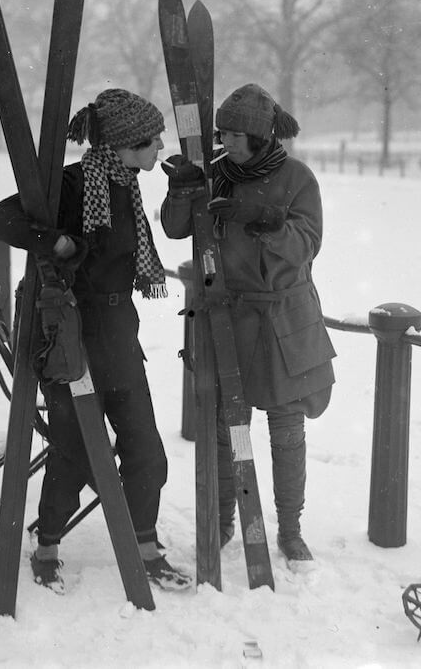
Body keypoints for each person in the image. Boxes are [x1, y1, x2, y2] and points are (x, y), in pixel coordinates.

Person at [0, 88, 190, 594]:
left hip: (118, 335)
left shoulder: (125, 185)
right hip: (70, 337)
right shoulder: (73, 184)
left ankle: (145, 545)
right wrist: (53, 241)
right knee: (73, 449)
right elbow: (0, 219)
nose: (159, 148)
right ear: (123, 145)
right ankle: (48, 543)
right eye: (152, 141)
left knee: (146, 448)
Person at [160, 83, 336, 568]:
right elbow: (177, 228)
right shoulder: (215, 175)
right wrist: (181, 190)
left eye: (237, 135)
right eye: (223, 133)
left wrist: (265, 219)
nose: (228, 142)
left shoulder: (298, 177)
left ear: (260, 136)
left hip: (283, 319)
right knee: (225, 428)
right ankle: (221, 522)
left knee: (286, 428)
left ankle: (291, 529)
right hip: (228, 316)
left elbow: (307, 242)